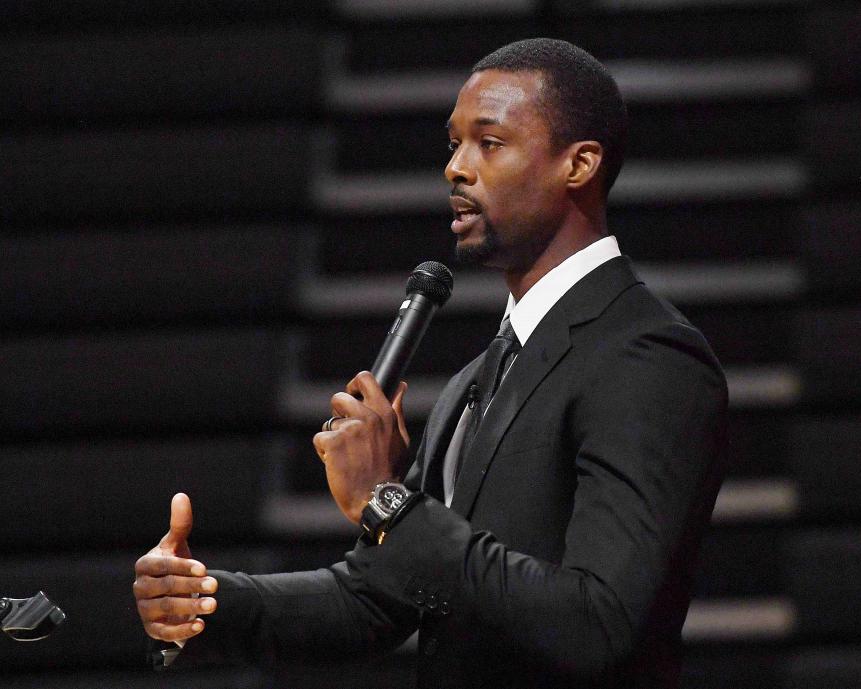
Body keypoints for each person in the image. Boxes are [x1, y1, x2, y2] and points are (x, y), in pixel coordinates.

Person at [132, 38, 727, 689]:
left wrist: (384, 501)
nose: (456, 168)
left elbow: (599, 622)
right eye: (453, 144)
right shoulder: (476, 380)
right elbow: (378, 598)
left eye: (489, 143)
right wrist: (206, 602)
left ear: (579, 164)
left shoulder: (645, 354)